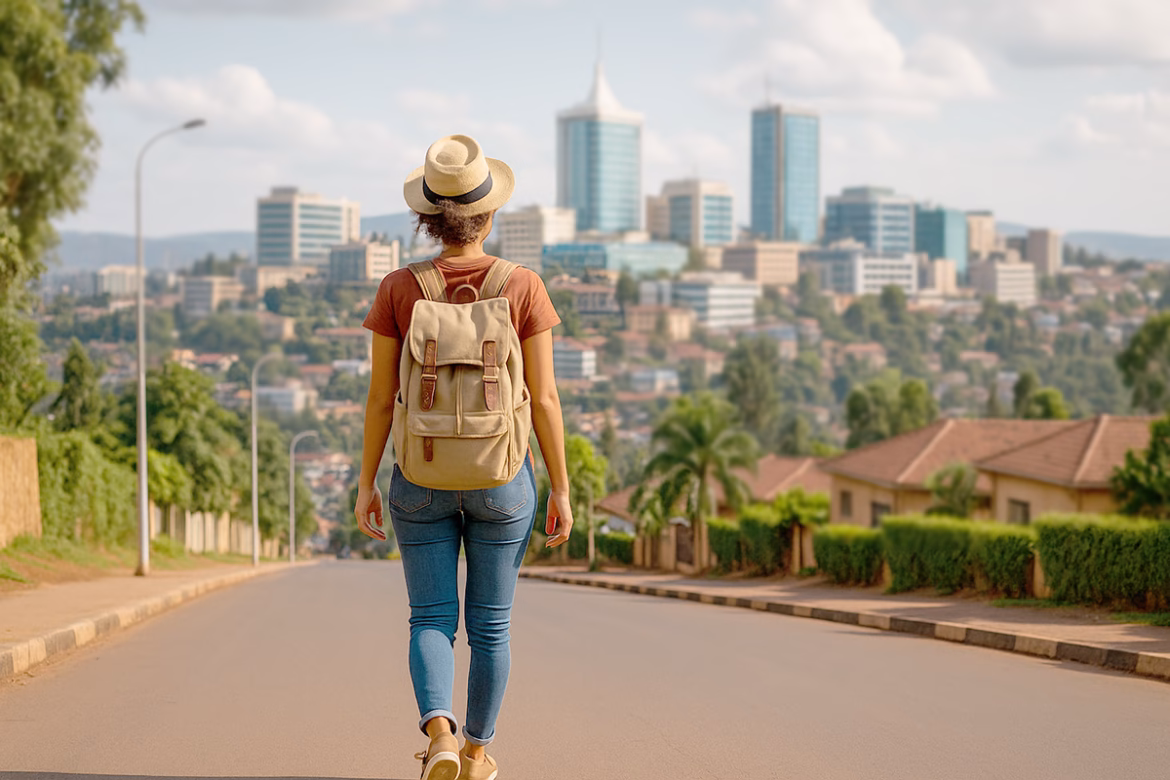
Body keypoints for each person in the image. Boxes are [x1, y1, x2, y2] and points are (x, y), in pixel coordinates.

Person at [356, 134, 574, 780]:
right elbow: (546, 399)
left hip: (419, 472)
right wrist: (560, 487)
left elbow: (377, 400)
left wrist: (367, 482)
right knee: (492, 627)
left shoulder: (400, 287)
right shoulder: (522, 286)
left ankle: (440, 735)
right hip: (502, 476)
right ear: (490, 212)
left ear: (427, 217)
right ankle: (478, 753)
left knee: (430, 617)